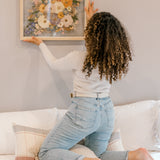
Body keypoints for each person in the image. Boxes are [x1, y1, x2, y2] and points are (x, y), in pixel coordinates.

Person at [24, 1, 154, 160]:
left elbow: (53, 64)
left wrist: (41, 43)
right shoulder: (112, 60)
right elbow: (100, 41)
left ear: (91, 34)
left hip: (84, 111)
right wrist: (90, 16)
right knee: (99, 154)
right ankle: (137, 155)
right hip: (107, 111)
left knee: (45, 152)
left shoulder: (79, 58)